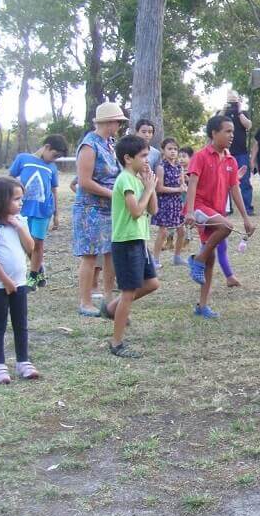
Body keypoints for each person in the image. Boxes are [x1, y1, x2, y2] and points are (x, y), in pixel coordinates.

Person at [184, 115, 256, 319]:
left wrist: (246, 218)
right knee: (226, 227)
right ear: (214, 133)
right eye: (227, 131)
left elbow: (235, 190)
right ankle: (197, 259)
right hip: (199, 207)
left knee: (211, 257)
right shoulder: (200, 156)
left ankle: (202, 305)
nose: (232, 135)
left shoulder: (231, 160)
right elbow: (193, 184)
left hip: (216, 211)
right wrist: (189, 211)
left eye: (233, 131)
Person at [100, 135, 159, 357]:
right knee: (128, 292)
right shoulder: (124, 179)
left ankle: (111, 308)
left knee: (152, 283)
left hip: (139, 241)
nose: (147, 160)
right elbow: (135, 211)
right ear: (127, 158)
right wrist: (147, 190)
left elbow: (152, 210)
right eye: (143, 156)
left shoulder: (137, 179)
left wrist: (150, 187)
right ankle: (116, 343)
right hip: (126, 243)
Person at [0, 177, 37, 383]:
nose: (20, 202)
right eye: (16, 199)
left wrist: (20, 227)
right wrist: (5, 281)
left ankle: (23, 361)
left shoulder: (20, 221)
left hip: (20, 283)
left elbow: (31, 248)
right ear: (1, 201)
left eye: (21, 198)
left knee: (20, 323)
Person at [73, 101, 124, 317]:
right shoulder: (89, 145)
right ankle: (85, 302)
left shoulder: (110, 144)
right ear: (108, 122)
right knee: (90, 255)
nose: (119, 126)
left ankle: (108, 297)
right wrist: (112, 194)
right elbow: (83, 181)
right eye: (117, 122)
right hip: (89, 209)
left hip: (109, 209)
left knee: (110, 252)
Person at [9, 134, 67, 290]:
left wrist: (56, 214)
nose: (54, 159)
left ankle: (32, 278)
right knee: (26, 243)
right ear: (46, 147)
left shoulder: (52, 168)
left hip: (43, 211)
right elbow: (9, 179)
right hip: (23, 209)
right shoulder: (23, 159)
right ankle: (39, 271)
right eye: (54, 155)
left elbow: (54, 190)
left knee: (37, 243)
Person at [152, 137, 188, 268]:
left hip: (177, 202)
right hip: (165, 202)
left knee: (182, 231)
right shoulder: (161, 167)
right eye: (170, 149)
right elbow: (159, 188)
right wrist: (178, 189)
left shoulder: (179, 167)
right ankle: (155, 259)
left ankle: (177, 257)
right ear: (163, 150)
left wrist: (184, 186)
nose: (173, 152)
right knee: (163, 232)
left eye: (175, 149)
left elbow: (182, 183)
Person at [220, 91, 254, 215]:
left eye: (234, 101)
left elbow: (248, 125)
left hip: (241, 152)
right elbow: (214, 122)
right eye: (230, 101)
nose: (232, 103)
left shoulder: (242, 113)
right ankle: (226, 208)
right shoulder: (222, 114)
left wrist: (239, 110)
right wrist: (224, 109)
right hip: (225, 152)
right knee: (223, 180)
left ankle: (247, 208)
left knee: (244, 180)